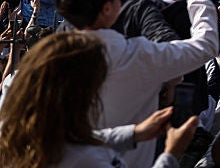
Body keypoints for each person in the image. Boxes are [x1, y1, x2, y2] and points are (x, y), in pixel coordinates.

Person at [53, 0, 219, 168]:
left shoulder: (48, 58)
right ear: (107, 8)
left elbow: (76, 141)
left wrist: (134, 133)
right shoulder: (138, 55)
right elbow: (206, 46)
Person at [0, 31, 198, 168]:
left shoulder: (12, 130)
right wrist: (171, 154)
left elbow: (73, 141)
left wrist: (134, 134)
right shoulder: (86, 159)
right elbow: (78, 149)